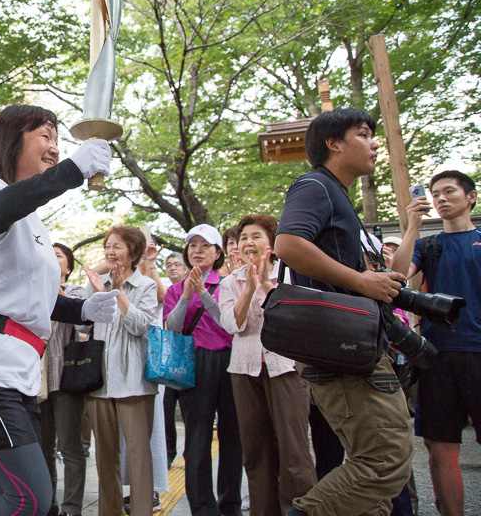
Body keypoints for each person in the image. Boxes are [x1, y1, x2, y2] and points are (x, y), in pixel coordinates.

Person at [0, 105, 119, 515]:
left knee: (41, 501)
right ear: (11, 139)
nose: (54, 148)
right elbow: (0, 209)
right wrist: (72, 171)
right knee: (27, 498)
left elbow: (32, 296)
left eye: (57, 139)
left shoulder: (33, 220)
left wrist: (83, 308)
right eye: (45, 136)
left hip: (15, 368)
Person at [274, 107, 414, 516]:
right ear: (334, 143)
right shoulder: (315, 186)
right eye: (364, 133)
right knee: (384, 461)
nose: (374, 143)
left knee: (371, 468)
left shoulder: (338, 195)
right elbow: (287, 245)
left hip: (351, 344)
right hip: (343, 348)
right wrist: (360, 282)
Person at [391, 169, 480, 516]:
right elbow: (396, 278)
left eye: (449, 192)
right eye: (435, 193)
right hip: (436, 356)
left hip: (478, 352)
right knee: (441, 448)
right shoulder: (429, 246)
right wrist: (413, 225)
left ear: (470, 197)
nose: (441, 198)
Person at [217, 214, 315, 516]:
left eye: (256, 236)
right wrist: (247, 288)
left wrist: (265, 285)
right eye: (244, 237)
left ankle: (299, 510)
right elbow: (233, 324)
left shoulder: (290, 276)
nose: (249, 242)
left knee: (294, 451)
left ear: (272, 243)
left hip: (285, 368)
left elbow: (294, 322)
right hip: (244, 370)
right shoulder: (230, 282)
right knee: (256, 452)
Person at [163, 225, 243, 516]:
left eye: (205, 245)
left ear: (218, 252)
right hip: (193, 360)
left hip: (229, 360)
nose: (197, 250)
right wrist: (186, 296)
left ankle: (230, 503)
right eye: (192, 245)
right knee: (197, 436)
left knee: (233, 436)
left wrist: (203, 293)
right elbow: (172, 328)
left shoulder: (228, 284)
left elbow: (227, 323)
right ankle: (202, 506)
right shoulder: (174, 289)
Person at [85, 225, 161, 516]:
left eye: (117, 246)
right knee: (105, 458)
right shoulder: (97, 283)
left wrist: (118, 294)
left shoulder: (146, 285)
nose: (110, 252)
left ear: (133, 252)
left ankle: (141, 510)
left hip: (134, 381)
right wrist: (97, 290)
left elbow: (141, 326)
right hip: (100, 381)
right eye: (107, 246)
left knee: (140, 458)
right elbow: (83, 325)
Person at [39, 242, 88, 516]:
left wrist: (57, 292)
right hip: (37, 380)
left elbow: (83, 325)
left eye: (58, 256)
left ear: (68, 266)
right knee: (43, 447)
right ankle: (49, 505)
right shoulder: (33, 291)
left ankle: (72, 508)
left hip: (66, 377)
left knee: (70, 446)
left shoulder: (75, 291)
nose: (52, 258)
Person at [162, 252, 187, 467]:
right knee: (167, 409)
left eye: (177, 264)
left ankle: (190, 451)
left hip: (194, 357)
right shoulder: (170, 291)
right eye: (168, 265)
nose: (172, 268)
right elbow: (168, 325)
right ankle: (169, 453)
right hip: (171, 358)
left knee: (191, 410)